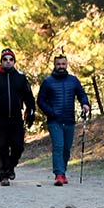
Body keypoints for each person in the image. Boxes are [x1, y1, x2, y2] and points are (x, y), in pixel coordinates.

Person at [0, 48, 35, 187]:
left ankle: (10, 167)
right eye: (5, 59)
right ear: (1, 61)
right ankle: (3, 175)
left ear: (14, 62)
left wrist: (31, 111)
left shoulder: (20, 78)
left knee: (18, 146)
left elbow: (28, 96)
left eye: (11, 59)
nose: (8, 62)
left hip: (16, 118)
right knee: (2, 147)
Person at [36, 55, 91, 186]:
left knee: (66, 149)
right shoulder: (48, 82)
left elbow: (81, 94)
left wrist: (85, 103)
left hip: (70, 120)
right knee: (58, 147)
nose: (61, 66)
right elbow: (41, 100)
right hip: (55, 121)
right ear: (54, 65)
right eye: (58, 64)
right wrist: (51, 112)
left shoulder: (73, 81)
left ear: (67, 65)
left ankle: (63, 172)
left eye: (63, 64)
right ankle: (58, 175)